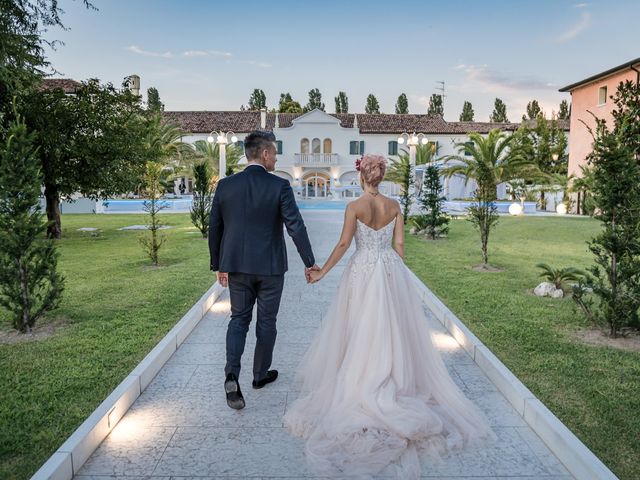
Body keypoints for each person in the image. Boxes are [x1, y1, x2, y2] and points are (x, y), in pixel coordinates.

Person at [283, 154, 497, 478]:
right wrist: (398, 276)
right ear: (380, 177)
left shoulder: (354, 206)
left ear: (362, 177)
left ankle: (362, 379)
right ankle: (390, 376)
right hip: (389, 270)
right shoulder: (395, 206)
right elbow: (399, 245)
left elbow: (344, 243)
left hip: (362, 270)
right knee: (391, 328)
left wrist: (322, 272)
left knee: (359, 329)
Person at [208, 130, 319, 410]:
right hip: (270, 268)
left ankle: (232, 375)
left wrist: (219, 265)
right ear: (266, 154)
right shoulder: (279, 186)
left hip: (237, 267)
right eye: (275, 153)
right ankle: (259, 376)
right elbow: (295, 226)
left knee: (238, 320)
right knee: (266, 323)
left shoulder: (225, 186)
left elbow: (215, 229)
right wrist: (310, 262)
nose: (277, 158)